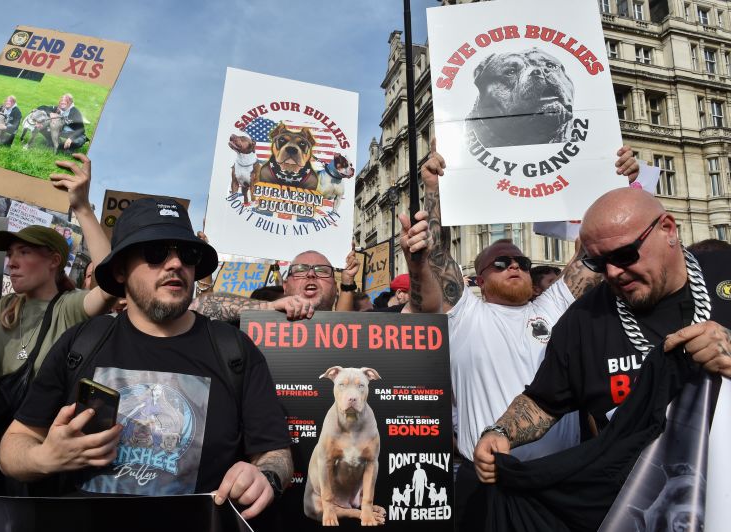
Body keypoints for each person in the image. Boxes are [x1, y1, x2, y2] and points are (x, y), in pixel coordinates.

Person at [0, 197, 292, 523]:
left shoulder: (235, 350)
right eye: (156, 253)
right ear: (121, 270)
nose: (175, 264)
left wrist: (264, 476)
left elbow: (275, 453)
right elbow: (12, 446)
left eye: (188, 254)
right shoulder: (81, 342)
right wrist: (43, 457)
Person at [400, 141, 639, 530]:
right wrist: (434, 188)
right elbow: (438, 252)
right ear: (478, 278)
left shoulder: (556, 305)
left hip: (561, 483)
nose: (514, 265)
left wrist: (619, 183)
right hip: (487, 485)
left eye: (521, 261)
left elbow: (594, 253)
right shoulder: (465, 313)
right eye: (501, 262)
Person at [473, 188, 731, 486]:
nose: (612, 272)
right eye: (598, 263)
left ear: (668, 229)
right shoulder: (584, 319)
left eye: (624, 254)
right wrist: (501, 433)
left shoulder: (722, 271)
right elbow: (543, 401)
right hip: (639, 502)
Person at [0, 154, 114, 383]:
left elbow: (109, 287)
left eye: (24, 252)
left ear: (54, 260)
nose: (12, 262)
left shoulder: (69, 307)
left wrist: (82, 208)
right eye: (10, 254)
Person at [191, 248, 360, 321]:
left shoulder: (362, 337)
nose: (311, 274)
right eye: (301, 269)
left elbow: (346, 323)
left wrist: (348, 284)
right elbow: (199, 306)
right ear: (285, 286)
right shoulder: (253, 327)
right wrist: (269, 307)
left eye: (322, 270)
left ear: (336, 287)